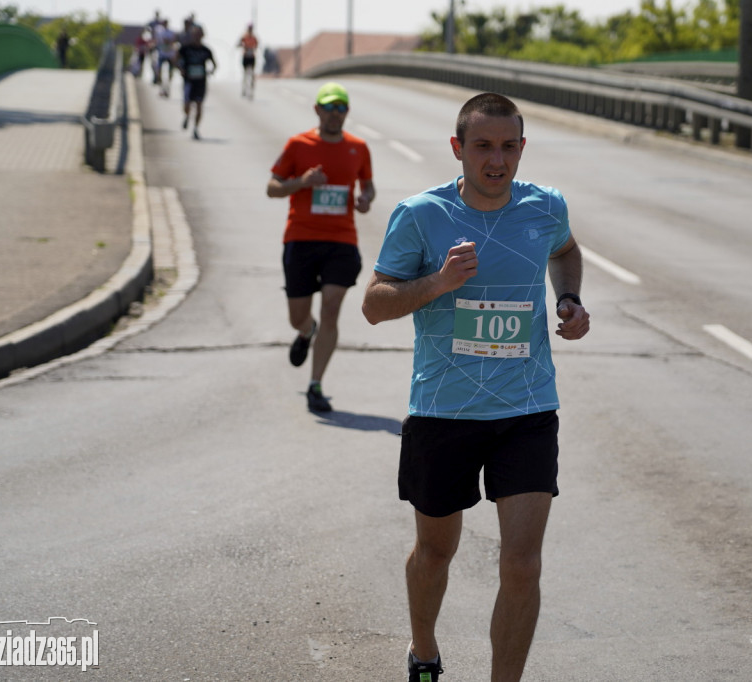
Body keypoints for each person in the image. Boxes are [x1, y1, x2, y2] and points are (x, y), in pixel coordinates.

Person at [361, 92, 590, 682]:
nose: (497, 160)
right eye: (483, 146)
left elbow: (564, 250)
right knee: (436, 552)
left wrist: (568, 298)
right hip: (444, 410)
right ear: (458, 149)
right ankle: (425, 649)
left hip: (527, 407)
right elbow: (374, 305)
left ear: (521, 148)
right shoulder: (421, 214)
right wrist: (438, 282)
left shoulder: (545, 207)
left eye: (508, 146)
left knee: (522, 564)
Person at [266, 82, 376, 412]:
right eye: (329, 107)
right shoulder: (298, 145)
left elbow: (368, 186)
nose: (335, 113)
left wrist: (366, 199)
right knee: (297, 316)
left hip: (341, 240)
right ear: (317, 110)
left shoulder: (358, 147)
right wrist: (302, 182)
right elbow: (272, 188)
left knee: (331, 306)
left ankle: (316, 384)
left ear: (347, 113)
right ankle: (305, 331)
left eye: (341, 107)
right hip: (300, 238)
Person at [177, 26, 215, 141]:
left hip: (201, 81)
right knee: (187, 105)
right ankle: (187, 115)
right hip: (189, 81)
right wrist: (181, 69)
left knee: (199, 105)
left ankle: (196, 128)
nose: (197, 37)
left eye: (199, 34)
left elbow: (214, 64)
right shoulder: (185, 49)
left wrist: (210, 71)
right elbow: (176, 59)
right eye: (195, 34)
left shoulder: (206, 50)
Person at [154, 19, 178, 97]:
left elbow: (173, 42)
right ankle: (161, 88)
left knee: (169, 74)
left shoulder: (171, 32)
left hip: (169, 55)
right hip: (162, 54)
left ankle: (167, 89)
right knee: (159, 71)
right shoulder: (159, 32)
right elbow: (157, 42)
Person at [238, 24, 259, 99]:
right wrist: (243, 46)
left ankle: (251, 89)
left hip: (252, 57)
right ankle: (244, 89)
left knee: (252, 74)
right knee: (245, 73)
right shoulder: (244, 37)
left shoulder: (254, 38)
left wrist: (252, 48)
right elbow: (238, 44)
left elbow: (257, 45)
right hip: (245, 57)